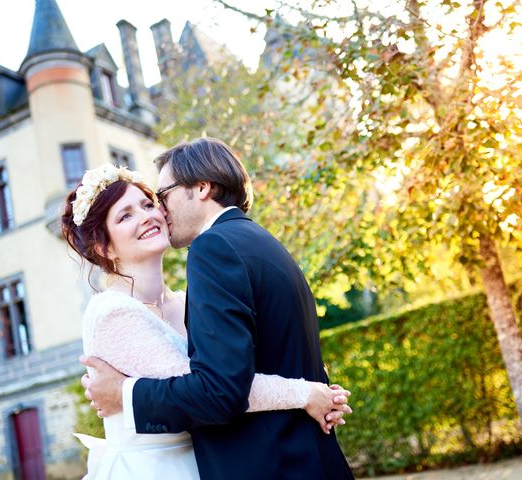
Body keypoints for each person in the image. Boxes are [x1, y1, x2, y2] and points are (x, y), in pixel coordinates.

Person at [81, 138, 356, 479]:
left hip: (271, 462)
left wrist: (125, 393)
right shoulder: (260, 242)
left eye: (158, 198)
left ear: (201, 187)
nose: (158, 212)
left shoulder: (213, 249)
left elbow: (219, 390)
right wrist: (312, 392)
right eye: (126, 214)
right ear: (103, 247)